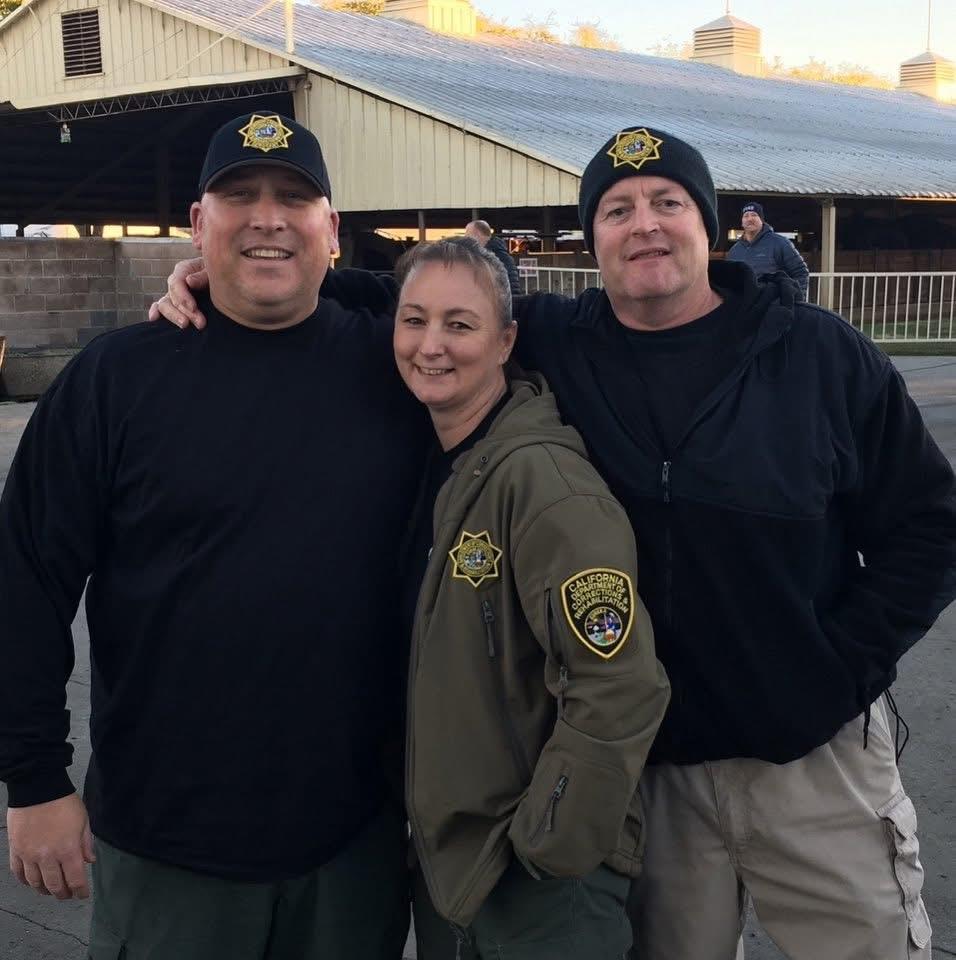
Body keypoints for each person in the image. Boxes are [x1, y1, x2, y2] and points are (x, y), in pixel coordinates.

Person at [156, 124, 956, 960]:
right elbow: (425, 304)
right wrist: (227, 272)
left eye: (667, 203)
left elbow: (929, 529)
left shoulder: (821, 356)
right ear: (593, 238)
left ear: (710, 224)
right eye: (616, 209)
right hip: (655, 766)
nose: (644, 223)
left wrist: (839, 673)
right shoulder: (562, 339)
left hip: (811, 762)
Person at [0, 113, 429, 959]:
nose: (267, 217)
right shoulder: (114, 379)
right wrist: (34, 780)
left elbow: (502, 317)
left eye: (295, 200)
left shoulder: (401, 371)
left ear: (332, 231)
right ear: (197, 225)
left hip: (353, 842)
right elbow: (24, 579)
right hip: (167, 845)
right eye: (239, 196)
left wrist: (355, 291)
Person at [392, 237, 669, 958]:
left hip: (534, 888)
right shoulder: (440, 466)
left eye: (460, 324)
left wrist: (548, 843)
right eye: (413, 320)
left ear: (506, 339)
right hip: (457, 869)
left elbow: (622, 684)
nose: (431, 345)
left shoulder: (544, 484)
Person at [726, 200, 810, 300]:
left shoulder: (780, 243)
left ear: (762, 220)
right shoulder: (734, 251)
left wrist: (796, 300)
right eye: (746, 216)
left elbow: (800, 272)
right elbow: (730, 280)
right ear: (742, 222)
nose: (750, 219)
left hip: (773, 306)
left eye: (754, 215)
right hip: (744, 307)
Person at [464, 219, 521, 294]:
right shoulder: (500, 253)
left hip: (501, 301)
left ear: (477, 234)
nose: (466, 239)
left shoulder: (489, 257)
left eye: (468, 235)